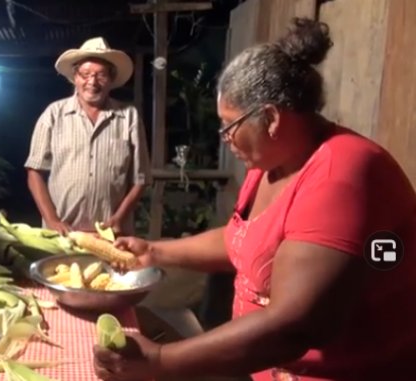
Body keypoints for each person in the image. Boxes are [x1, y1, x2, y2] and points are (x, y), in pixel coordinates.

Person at [93, 17, 416, 381]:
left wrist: (162, 361)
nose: (225, 138)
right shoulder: (269, 166)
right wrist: (155, 252)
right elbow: (240, 240)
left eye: (229, 126)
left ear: (271, 118)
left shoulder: (343, 173)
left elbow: (293, 326)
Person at [25, 37, 151, 236]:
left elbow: (140, 179)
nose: (92, 82)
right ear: (75, 77)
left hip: (113, 235)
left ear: (111, 79)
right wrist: (52, 220)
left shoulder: (129, 116)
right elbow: (34, 172)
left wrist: (119, 218)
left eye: (101, 75)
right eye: (85, 74)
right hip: (61, 235)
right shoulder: (53, 114)